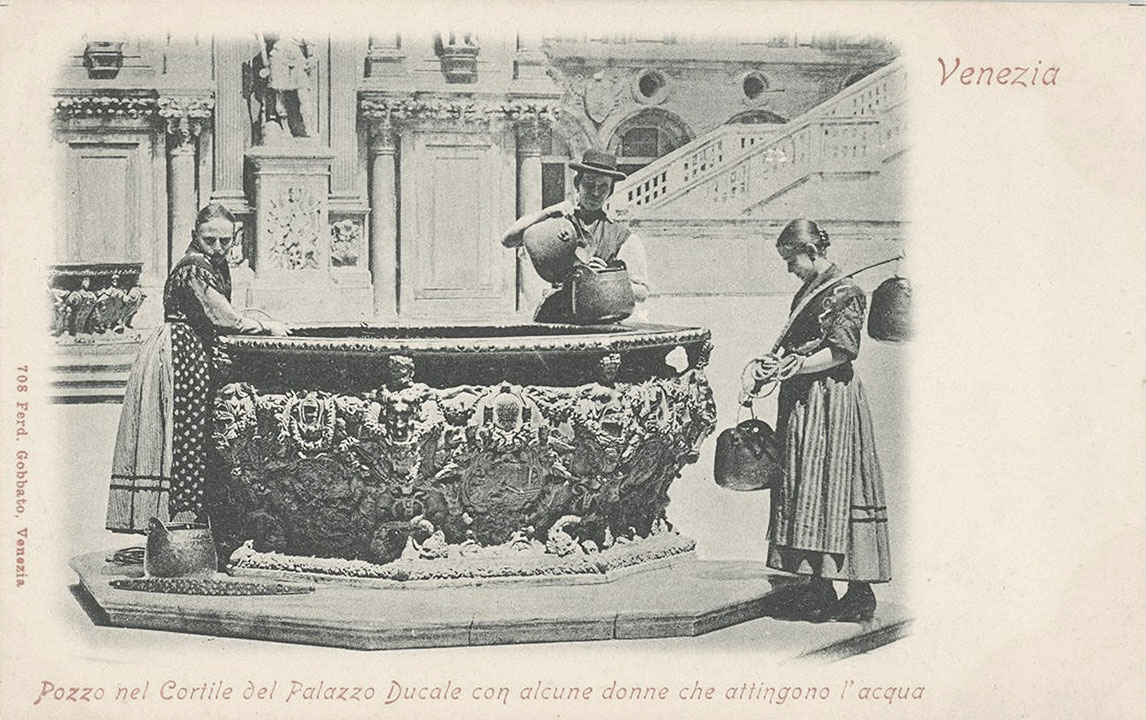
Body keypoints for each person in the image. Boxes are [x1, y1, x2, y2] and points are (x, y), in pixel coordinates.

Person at [106, 203, 290, 533]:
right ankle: (174, 525)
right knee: (181, 434)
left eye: (225, 241)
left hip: (188, 350)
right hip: (178, 352)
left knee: (187, 434)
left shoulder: (210, 264)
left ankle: (181, 525)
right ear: (195, 236)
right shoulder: (194, 267)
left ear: (235, 239)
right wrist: (265, 327)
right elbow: (222, 316)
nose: (218, 248)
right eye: (210, 240)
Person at [757, 218, 891, 622]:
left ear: (812, 252)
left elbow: (841, 352)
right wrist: (775, 366)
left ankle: (858, 591)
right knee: (805, 487)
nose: (789, 268)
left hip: (831, 399)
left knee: (838, 486)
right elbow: (800, 348)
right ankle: (817, 586)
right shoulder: (807, 293)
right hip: (803, 401)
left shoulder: (847, 292)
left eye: (791, 259)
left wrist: (791, 368)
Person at [501, 149, 649, 323]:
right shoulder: (557, 223)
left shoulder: (622, 237)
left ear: (610, 192)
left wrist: (605, 277)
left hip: (601, 321)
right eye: (589, 184)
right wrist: (546, 213)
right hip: (555, 317)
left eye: (603, 188)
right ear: (577, 183)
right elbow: (508, 240)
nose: (595, 193)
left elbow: (642, 293)